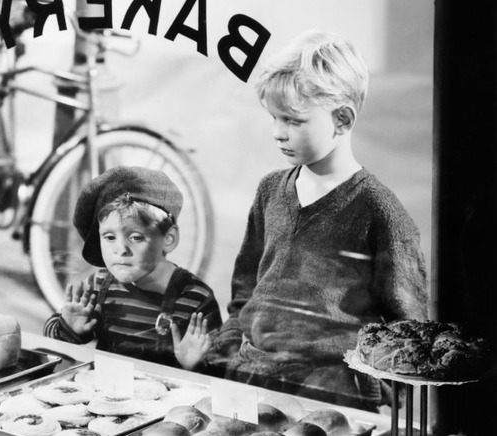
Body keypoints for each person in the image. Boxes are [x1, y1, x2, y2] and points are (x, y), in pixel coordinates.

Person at [208, 30, 428, 411]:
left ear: (341, 119)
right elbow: (246, 286)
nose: (278, 132)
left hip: (331, 392)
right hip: (253, 377)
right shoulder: (270, 190)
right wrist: (229, 349)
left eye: (293, 120)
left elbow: (408, 328)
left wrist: (379, 395)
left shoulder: (381, 211)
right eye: (274, 118)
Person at [43, 166, 223, 371]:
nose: (121, 249)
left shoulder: (196, 299)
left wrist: (196, 365)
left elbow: (222, 374)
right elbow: (51, 341)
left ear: (169, 239)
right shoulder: (98, 285)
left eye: (136, 237)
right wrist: (69, 329)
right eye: (109, 237)